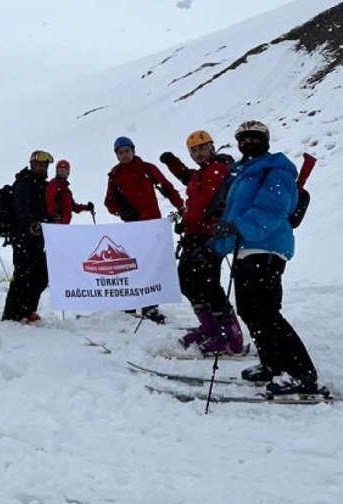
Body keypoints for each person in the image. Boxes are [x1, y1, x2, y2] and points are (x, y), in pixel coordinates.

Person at [211, 120, 319, 395]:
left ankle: (301, 374)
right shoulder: (242, 174)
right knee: (250, 311)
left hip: (268, 247)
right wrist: (219, 243)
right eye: (243, 138)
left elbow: (273, 207)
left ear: (266, 140)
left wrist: (238, 228)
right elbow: (234, 214)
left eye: (255, 138)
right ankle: (272, 364)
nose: (249, 143)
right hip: (246, 250)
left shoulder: (276, 169)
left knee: (267, 312)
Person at [160, 131, 243, 354]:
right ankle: (211, 328)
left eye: (202, 148)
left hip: (210, 235)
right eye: (193, 150)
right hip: (195, 235)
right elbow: (188, 179)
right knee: (188, 281)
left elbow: (205, 204)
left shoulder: (217, 170)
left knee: (208, 284)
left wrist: (187, 221)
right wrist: (172, 163)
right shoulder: (202, 172)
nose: (198, 153)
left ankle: (230, 337)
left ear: (212, 147)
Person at [104, 136, 184, 324]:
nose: (124, 155)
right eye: (120, 152)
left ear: (133, 150)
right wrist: (122, 211)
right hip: (132, 228)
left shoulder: (148, 168)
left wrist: (181, 207)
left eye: (126, 151)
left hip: (153, 226)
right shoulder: (114, 174)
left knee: (151, 266)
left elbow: (168, 188)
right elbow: (108, 202)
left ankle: (150, 306)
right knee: (132, 265)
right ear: (116, 155)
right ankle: (131, 302)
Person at [1, 150, 51, 324]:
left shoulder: (44, 185)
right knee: (23, 276)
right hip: (23, 237)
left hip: (38, 238)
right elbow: (20, 208)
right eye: (40, 165)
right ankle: (11, 314)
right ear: (33, 165)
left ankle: (27, 309)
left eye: (45, 165)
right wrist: (31, 223)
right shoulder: (24, 182)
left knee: (41, 275)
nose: (43, 168)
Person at [45, 159, 94, 224]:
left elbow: (73, 206)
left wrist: (86, 207)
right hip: (55, 223)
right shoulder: (53, 184)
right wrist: (55, 214)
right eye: (61, 171)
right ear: (57, 171)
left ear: (68, 173)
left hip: (65, 226)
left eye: (65, 171)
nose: (63, 173)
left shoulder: (67, 191)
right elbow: (50, 201)